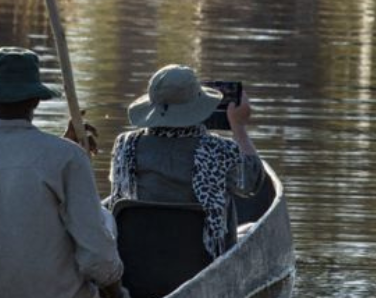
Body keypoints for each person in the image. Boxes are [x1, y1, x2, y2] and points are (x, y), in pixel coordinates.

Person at [0, 46, 126, 298]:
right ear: (36, 101)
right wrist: (116, 293)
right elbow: (97, 255)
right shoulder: (67, 157)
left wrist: (66, 150)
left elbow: (14, 182)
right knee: (103, 217)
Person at [106, 64, 265, 259]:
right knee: (251, 229)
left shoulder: (125, 146)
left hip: (140, 257)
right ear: (198, 107)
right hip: (199, 260)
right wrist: (239, 127)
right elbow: (252, 184)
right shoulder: (219, 150)